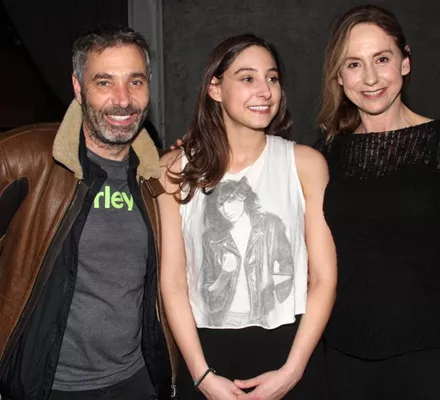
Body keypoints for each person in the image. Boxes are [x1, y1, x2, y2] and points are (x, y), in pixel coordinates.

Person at [0, 25, 176, 400]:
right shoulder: (24, 158)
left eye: (135, 81)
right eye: (104, 82)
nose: (123, 99)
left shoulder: (156, 178)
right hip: (49, 386)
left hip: (138, 380)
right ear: (79, 88)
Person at [159, 33, 337, 400]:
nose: (265, 91)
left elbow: (323, 279)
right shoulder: (173, 170)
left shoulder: (306, 165)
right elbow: (173, 281)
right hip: (204, 354)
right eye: (247, 78)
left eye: (272, 78)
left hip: (291, 350)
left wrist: (292, 372)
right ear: (215, 88)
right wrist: (201, 376)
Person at [315, 4, 440, 399]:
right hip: (342, 357)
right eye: (354, 64)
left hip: (428, 357)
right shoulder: (323, 154)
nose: (370, 78)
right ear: (339, 76)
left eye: (382, 59)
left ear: (405, 61)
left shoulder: (437, 144)